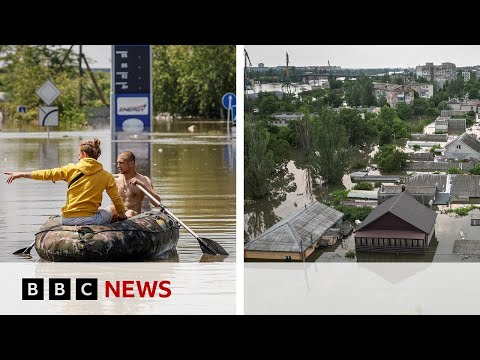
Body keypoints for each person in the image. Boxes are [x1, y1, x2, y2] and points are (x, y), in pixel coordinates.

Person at [4, 138, 127, 225]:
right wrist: (122, 217)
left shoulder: (70, 169)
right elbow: (116, 199)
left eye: (79, 154)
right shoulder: (106, 176)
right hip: (91, 219)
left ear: (84, 154)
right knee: (113, 208)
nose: (78, 157)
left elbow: (47, 174)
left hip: (67, 219)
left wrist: (22, 174)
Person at [110, 151, 161, 219]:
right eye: (118, 163)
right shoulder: (114, 179)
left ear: (131, 164)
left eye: (121, 163)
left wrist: (142, 185)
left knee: (130, 212)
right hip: (116, 214)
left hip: (133, 217)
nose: (118, 166)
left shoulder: (143, 180)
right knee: (109, 209)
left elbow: (157, 203)